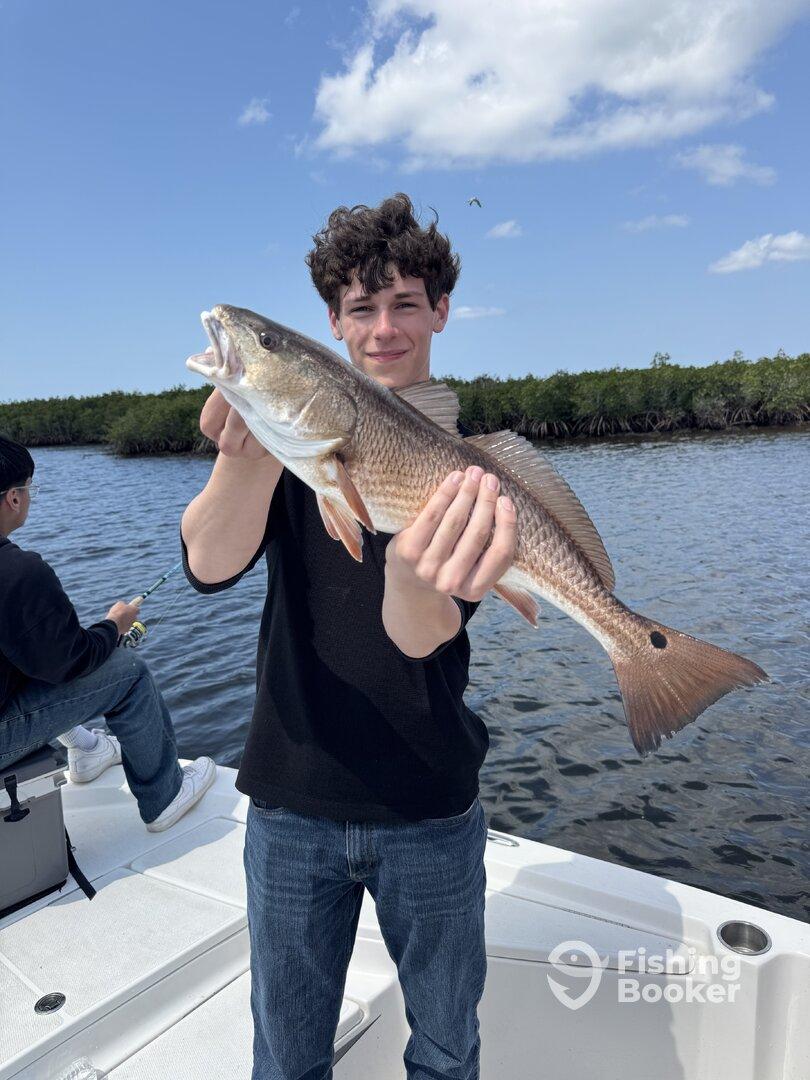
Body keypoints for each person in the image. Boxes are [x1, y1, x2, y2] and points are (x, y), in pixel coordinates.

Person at [180, 193, 518, 1079]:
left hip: (430, 805)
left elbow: (421, 640)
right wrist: (242, 446)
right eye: (362, 309)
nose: (384, 328)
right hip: (292, 803)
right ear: (333, 323)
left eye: (407, 303)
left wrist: (409, 567)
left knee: (446, 1055)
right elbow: (210, 565)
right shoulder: (298, 441)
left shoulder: (465, 477)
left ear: (441, 311)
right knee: (286, 1061)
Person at [0, 434, 216, 832]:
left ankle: (86, 749)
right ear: (13, 497)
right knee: (129, 671)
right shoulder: (18, 571)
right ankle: (165, 795)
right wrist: (114, 625)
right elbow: (71, 661)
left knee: (32, 649)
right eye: (30, 488)